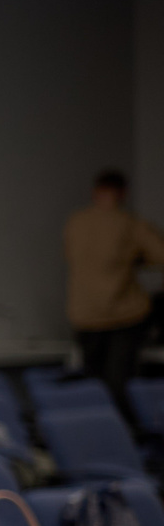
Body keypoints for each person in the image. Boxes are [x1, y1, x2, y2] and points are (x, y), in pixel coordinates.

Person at [63, 169, 164, 416]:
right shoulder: (129, 223)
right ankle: (125, 435)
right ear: (122, 193)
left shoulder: (76, 222)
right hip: (122, 314)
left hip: (84, 314)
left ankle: (95, 432)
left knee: (92, 382)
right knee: (120, 383)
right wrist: (136, 259)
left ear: (95, 192)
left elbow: (71, 256)